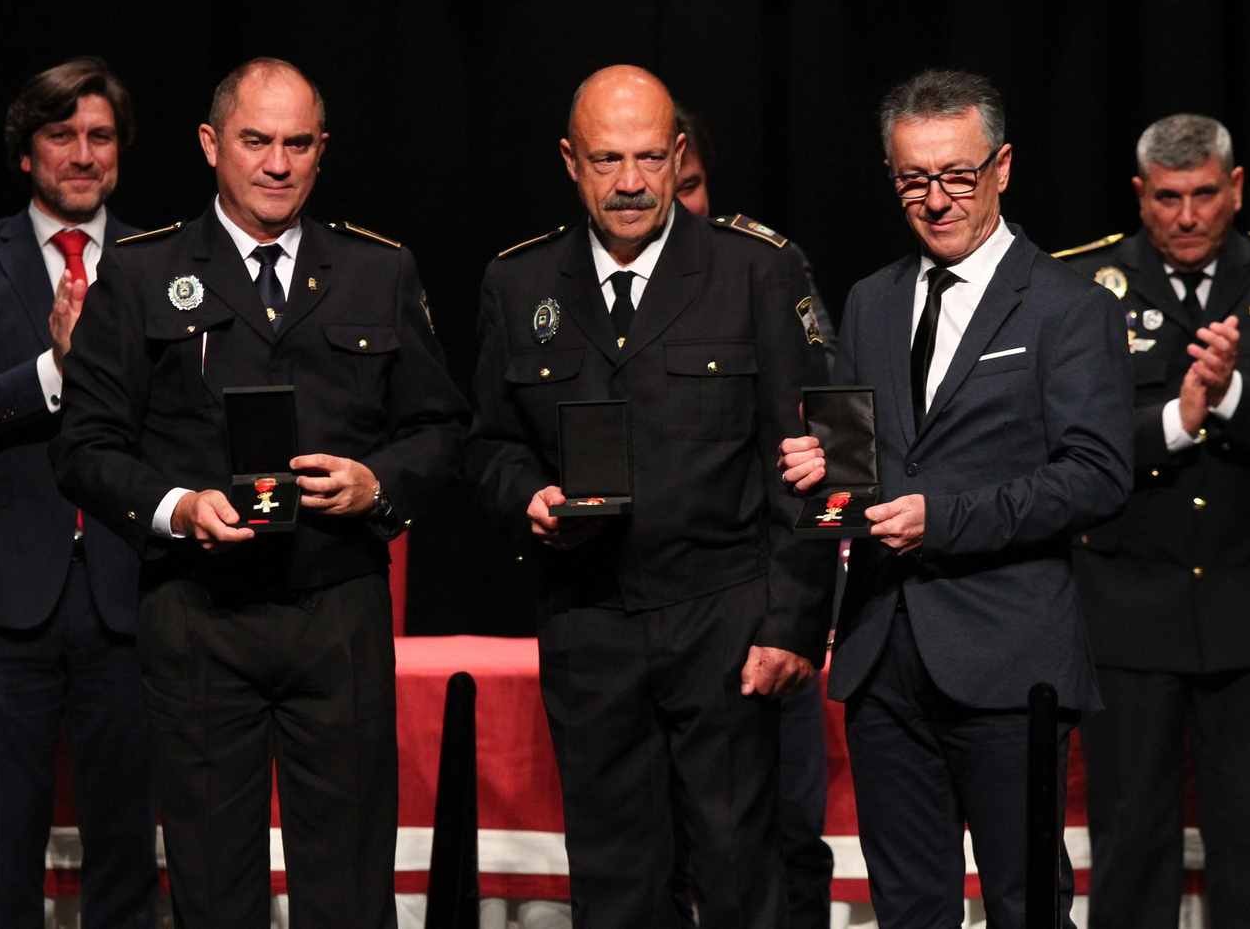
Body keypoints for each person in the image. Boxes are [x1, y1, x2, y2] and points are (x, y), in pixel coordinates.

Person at [50, 57, 468, 929]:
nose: (277, 164)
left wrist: (377, 483)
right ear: (211, 146)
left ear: (321, 152)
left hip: (337, 611)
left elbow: (439, 430)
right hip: (198, 612)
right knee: (211, 890)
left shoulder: (376, 272)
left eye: (297, 144)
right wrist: (176, 508)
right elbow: (85, 447)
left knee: (351, 890)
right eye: (255, 142)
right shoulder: (141, 271)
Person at [467, 65, 836, 929]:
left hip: (727, 626)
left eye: (645, 158)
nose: (629, 183)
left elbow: (814, 465)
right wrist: (525, 496)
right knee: (616, 886)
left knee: (744, 879)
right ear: (569, 161)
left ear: (677, 158)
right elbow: (485, 443)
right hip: (587, 621)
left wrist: (793, 626)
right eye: (605, 160)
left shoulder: (759, 273)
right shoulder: (517, 285)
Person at [779, 68, 1133, 928]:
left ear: (1002, 168)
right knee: (907, 905)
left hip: (1009, 657)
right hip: (879, 654)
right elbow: (851, 484)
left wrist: (945, 523)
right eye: (913, 179)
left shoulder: (1067, 307)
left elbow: (1098, 474)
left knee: (1024, 900)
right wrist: (817, 483)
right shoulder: (869, 301)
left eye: (956, 176)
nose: (935, 200)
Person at [1056, 114, 1250, 929]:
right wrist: (1179, 421)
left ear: (1237, 188)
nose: (1188, 217)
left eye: (1206, 196)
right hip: (1127, 603)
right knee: (1131, 843)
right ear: (1141, 196)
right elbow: (1065, 444)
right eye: (1170, 198)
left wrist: (1237, 397)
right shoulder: (1084, 284)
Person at [0, 57, 157, 929]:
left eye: (100, 136)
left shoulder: (158, 263)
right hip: (0, 594)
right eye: (62, 136)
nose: (83, 154)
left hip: (130, 592)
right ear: (27, 153)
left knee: (128, 852)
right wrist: (57, 368)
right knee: (4, 857)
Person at [670, 102, 837, 928]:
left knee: (783, 835)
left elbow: (829, 432)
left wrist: (800, 613)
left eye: (690, 183)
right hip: (654, 615)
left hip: (763, 603)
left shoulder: (764, 264)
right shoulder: (581, 274)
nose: (677, 201)